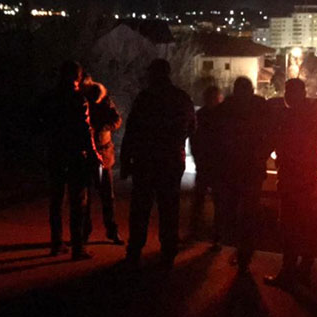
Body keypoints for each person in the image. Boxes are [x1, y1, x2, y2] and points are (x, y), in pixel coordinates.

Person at [121, 59, 195, 268]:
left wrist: (126, 160)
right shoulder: (181, 98)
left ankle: (135, 250)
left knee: (140, 208)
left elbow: (131, 131)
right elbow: (191, 127)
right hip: (171, 160)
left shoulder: (145, 98)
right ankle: (168, 252)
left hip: (145, 160)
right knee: (169, 208)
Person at [36, 61, 100, 260]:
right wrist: (93, 153)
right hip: (75, 155)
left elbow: (39, 122)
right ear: (78, 77)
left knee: (56, 200)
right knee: (78, 202)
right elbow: (84, 128)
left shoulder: (49, 97)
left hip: (55, 152)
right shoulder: (78, 98)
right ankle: (78, 247)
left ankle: (56, 243)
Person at [264, 78, 317, 288]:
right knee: (304, 222)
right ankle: (304, 268)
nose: (286, 97)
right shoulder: (311, 115)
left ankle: (288, 271)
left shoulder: (291, 118)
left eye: (289, 92)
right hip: (305, 177)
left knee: (289, 224)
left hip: (292, 177)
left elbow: (280, 143)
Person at [215, 77, 269, 274]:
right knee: (247, 212)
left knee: (236, 211)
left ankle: (242, 250)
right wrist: (262, 154)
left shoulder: (227, 107)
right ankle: (245, 252)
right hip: (249, 169)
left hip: (234, 169)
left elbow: (217, 136)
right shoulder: (259, 106)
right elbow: (270, 134)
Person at [82, 80, 124, 245]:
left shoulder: (105, 102)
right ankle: (85, 232)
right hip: (87, 154)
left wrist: (104, 127)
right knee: (86, 197)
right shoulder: (83, 101)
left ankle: (111, 230)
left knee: (107, 196)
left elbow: (116, 120)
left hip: (103, 153)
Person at [189, 85, 224, 249]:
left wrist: (197, 157)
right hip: (211, 164)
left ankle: (200, 233)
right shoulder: (220, 116)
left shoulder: (202, 115)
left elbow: (194, 138)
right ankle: (214, 236)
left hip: (209, 163)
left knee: (203, 199)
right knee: (213, 201)